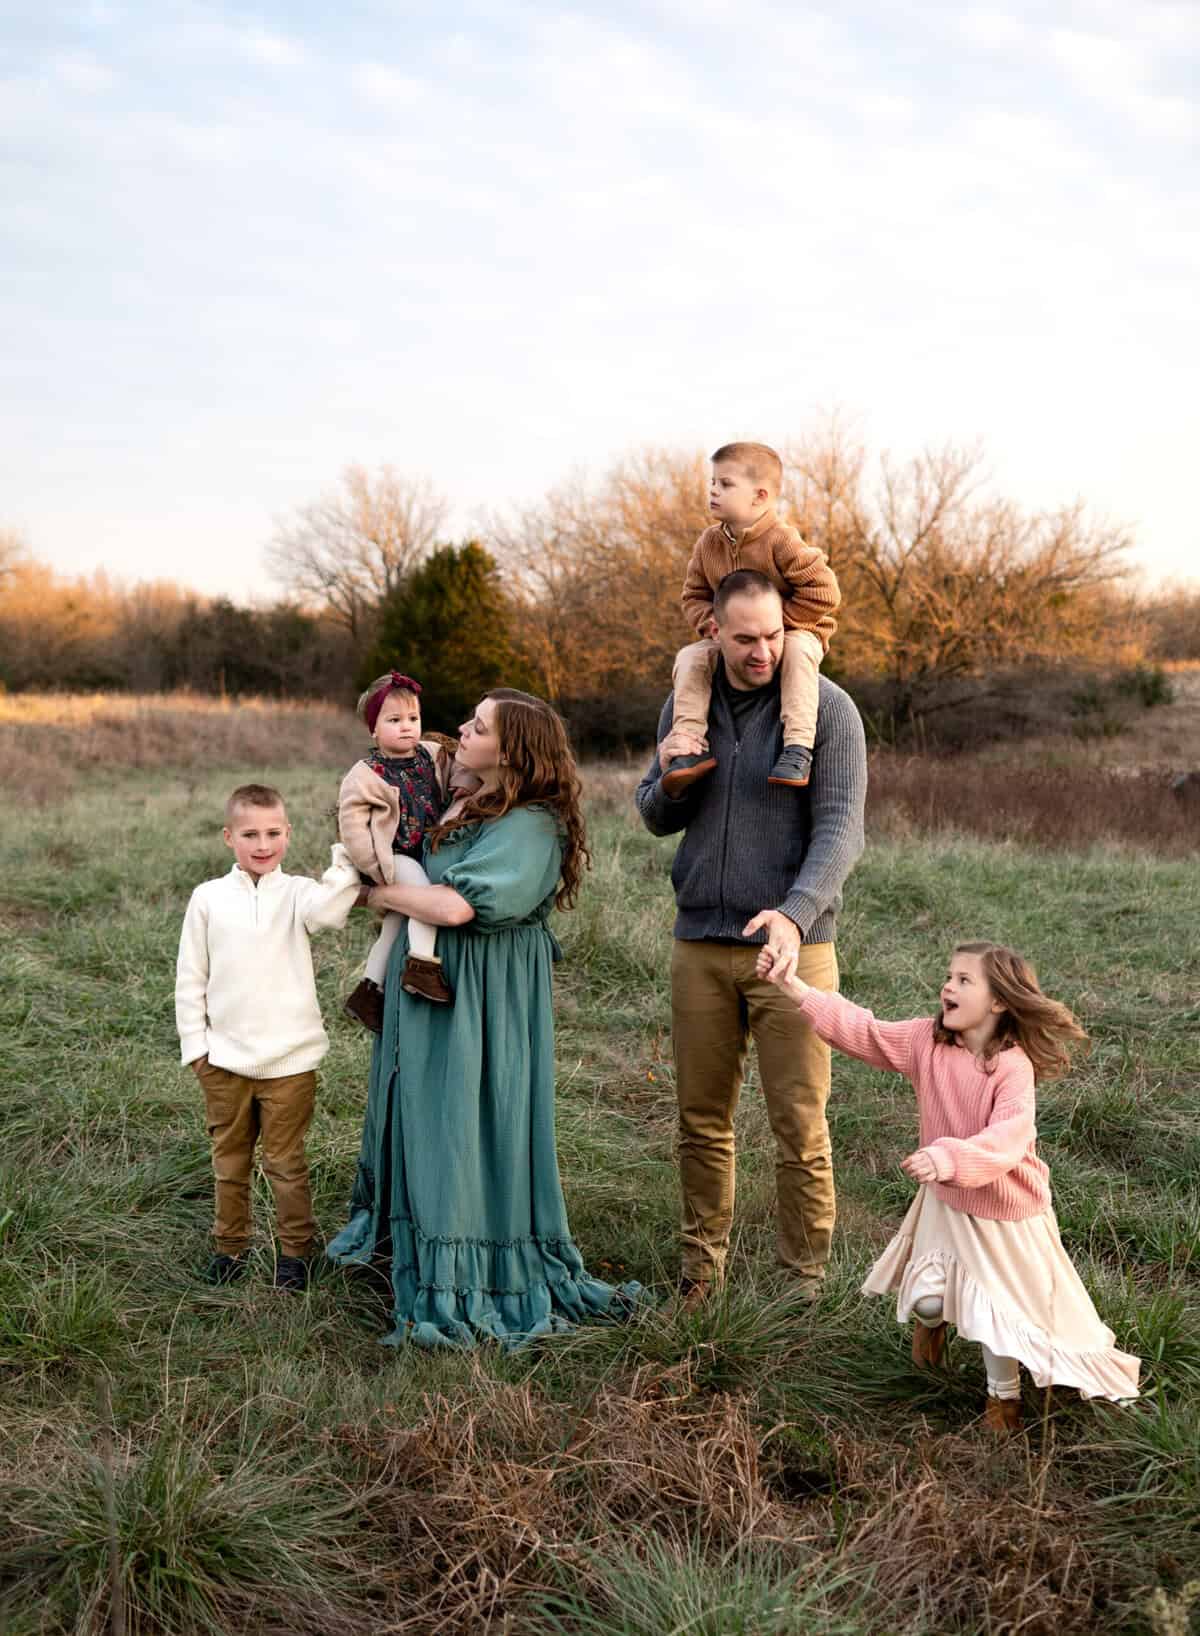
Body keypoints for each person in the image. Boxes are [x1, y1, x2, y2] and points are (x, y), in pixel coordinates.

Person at [326, 687, 641, 1347]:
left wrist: (372, 893)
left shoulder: (530, 821)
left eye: (477, 726)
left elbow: (454, 908)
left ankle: (471, 1272)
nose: (460, 731)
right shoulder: (467, 795)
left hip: (483, 993)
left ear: (513, 749)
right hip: (435, 983)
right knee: (419, 1109)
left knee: (464, 1122)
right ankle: (405, 1249)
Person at [757, 939, 1141, 1429]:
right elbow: (864, 1031)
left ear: (999, 1001)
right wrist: (793, 987)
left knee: (995, 1317)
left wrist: (946, 1157)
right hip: (947, 1200)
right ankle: (931, 1330)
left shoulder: (1013, 1067)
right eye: (948, 977)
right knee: (928, 1300)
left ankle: (1003, 1401)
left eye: (964, 980)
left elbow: (1007, 1138)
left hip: (1004, 1212)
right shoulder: (926, 1042)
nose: (947, 987)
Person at [635, 570, 867, 1307]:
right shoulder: (688, 701)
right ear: (714, 634)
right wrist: (675, 780)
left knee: (799, 1125)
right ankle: (701, 1271)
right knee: (701, 1122)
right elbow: (653, 811)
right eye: (745, 638)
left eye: (773, 635)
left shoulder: (828, 709)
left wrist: (795, 916)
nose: (763, 650)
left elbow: (841, 829)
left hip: (795, 952)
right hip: (700, 941)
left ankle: (803, 1281)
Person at [175, 783, 361, 1291]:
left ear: (288, 833)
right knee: (230, 1162)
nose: (263, 844)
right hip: (224, 1061)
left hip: (291, 1060)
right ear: (228, 837)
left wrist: (345, 859)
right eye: (250, 834)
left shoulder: (300, 893)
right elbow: (191, 976)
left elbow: (331, 913)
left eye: (273, 833)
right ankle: (229, 1248)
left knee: (285, 1162)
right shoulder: (208, 898)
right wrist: (198, 1050)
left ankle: (295, 1254)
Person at [663, 441, 841, 798]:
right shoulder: (708, 544)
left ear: (760, 496)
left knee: (798, 651)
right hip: (729, 637)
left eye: (725, 484)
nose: (713, 490)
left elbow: (824, 591)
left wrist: (778, 628)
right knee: (690, 658)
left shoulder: (780, 540)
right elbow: (693, 595)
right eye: (712, 481)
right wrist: (714, 627)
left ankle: (797, 749)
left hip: (792, 633)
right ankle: (688, 746)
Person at [339, 669, 475, 1028]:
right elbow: (352, 827)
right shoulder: (366, 773)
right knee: (421, 895)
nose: (407, 727)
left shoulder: (430, 754)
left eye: (413, 718)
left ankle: (369, 992)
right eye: (394, 720)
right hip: (394, 858)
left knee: (395, 924)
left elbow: (460, 765)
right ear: (374, 728)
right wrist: (376, 870)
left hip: (425, 852)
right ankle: (421, 966)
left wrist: (461, 790)